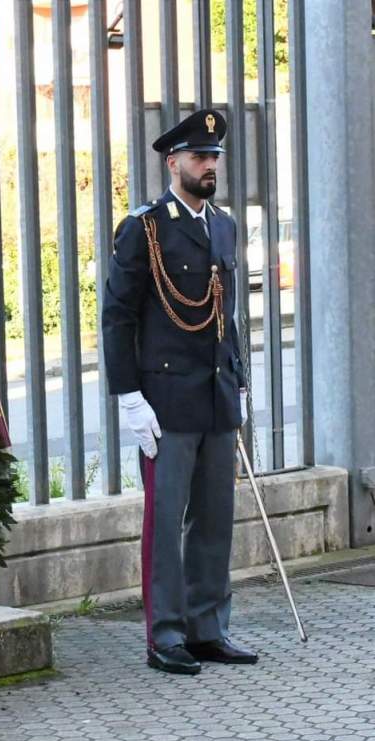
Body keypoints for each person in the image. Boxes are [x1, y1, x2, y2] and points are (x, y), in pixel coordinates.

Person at [101, 108, 258, 675]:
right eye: (199, 156)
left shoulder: (224, 224)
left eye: (214, 156)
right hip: (164, 401)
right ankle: (165, 634)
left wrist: (238, 381)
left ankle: (207, 628)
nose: (209, 164)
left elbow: (227, 313)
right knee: (166, 522)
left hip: (215, 394)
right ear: (174, 163)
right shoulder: (144, 227)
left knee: (215, 518)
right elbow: (117, 316)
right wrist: (128, 397)